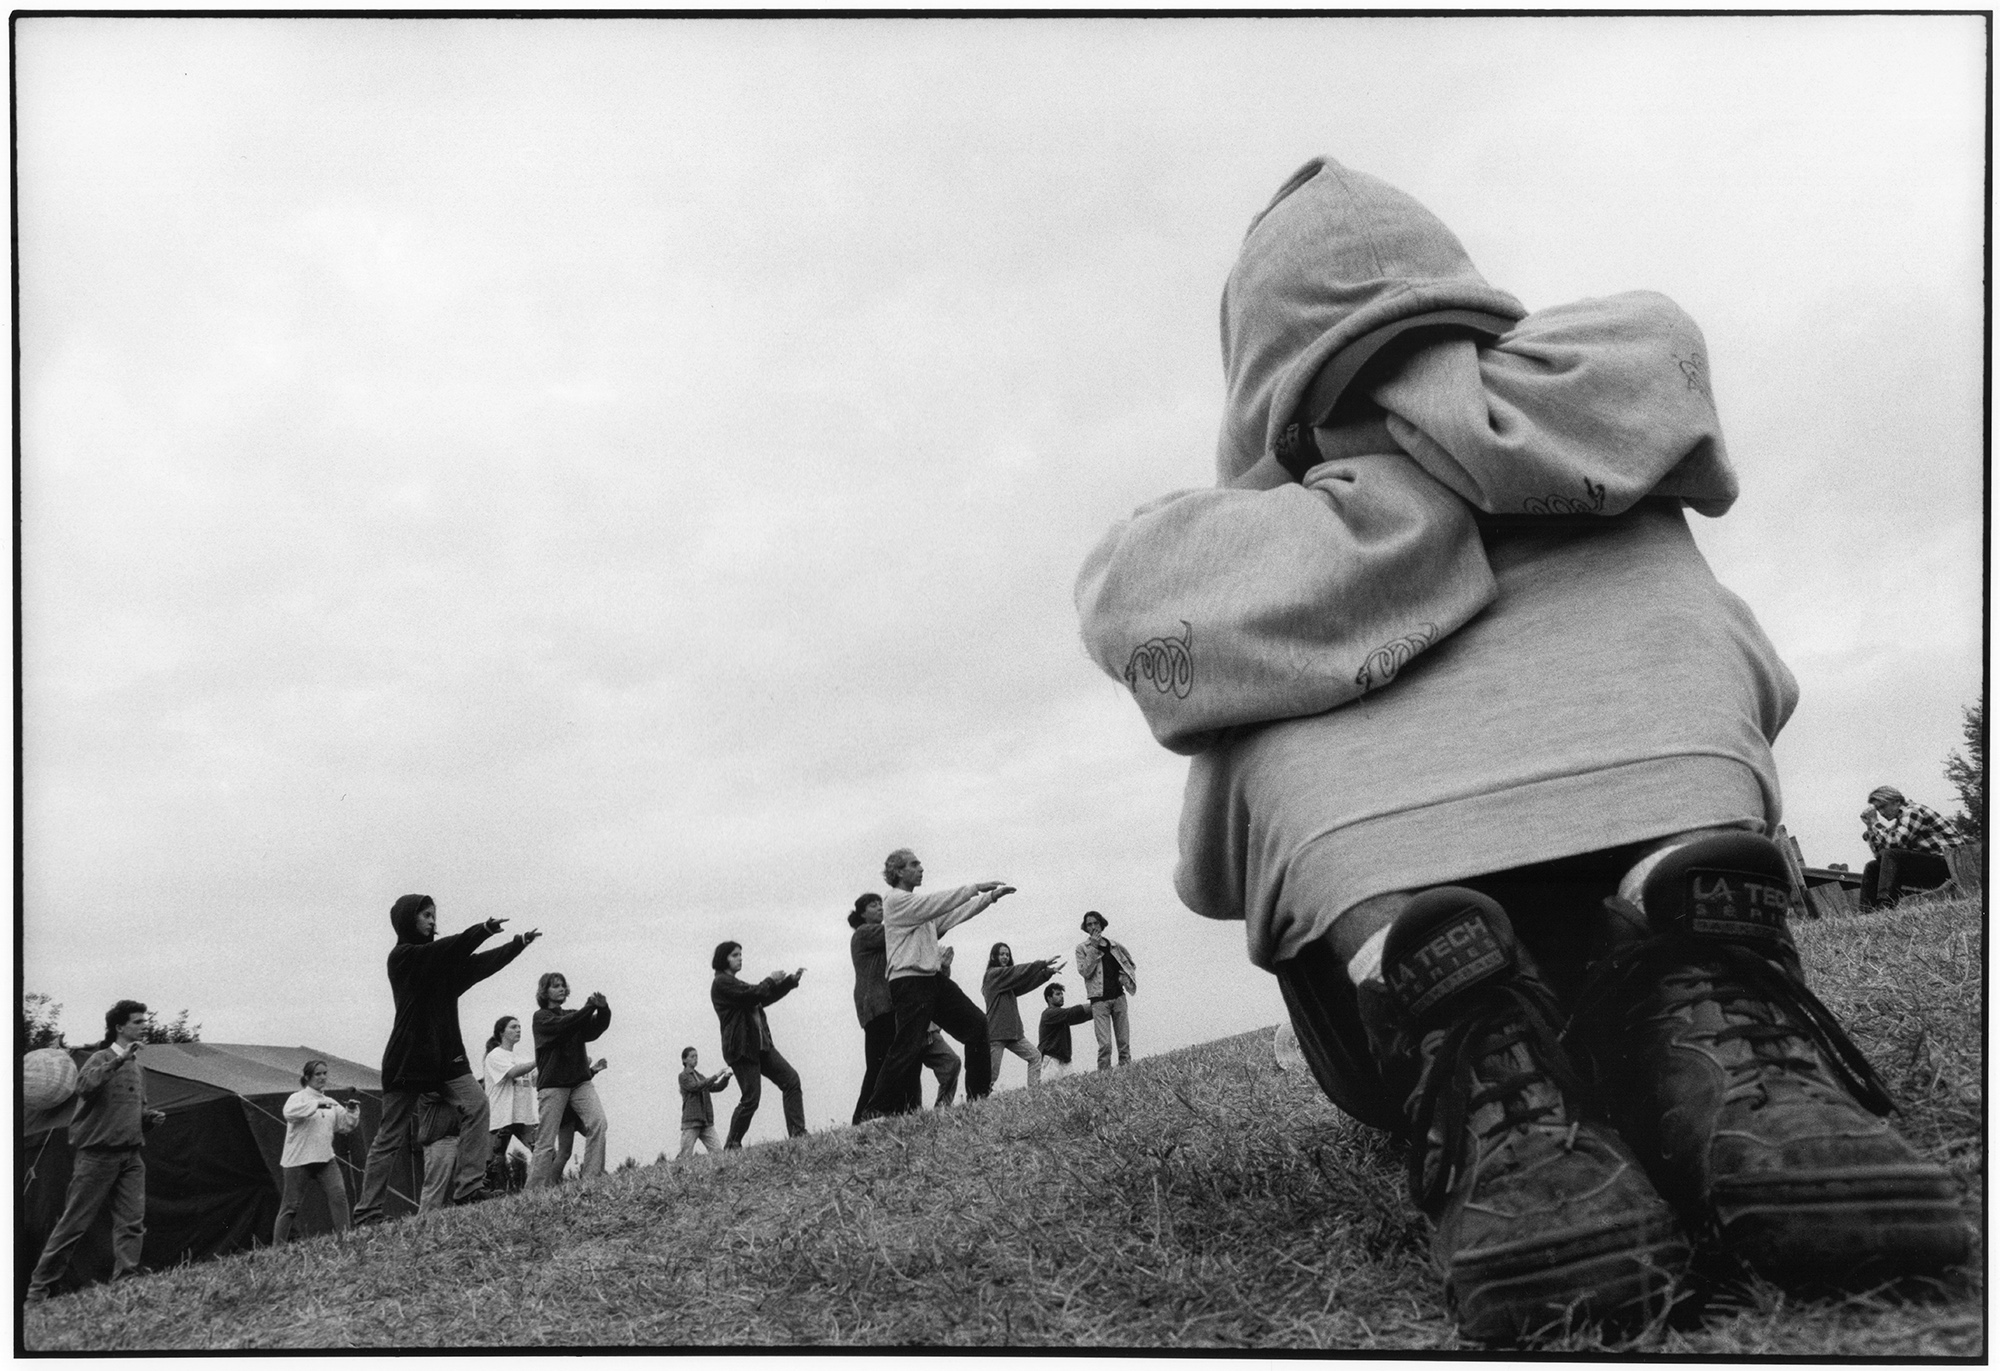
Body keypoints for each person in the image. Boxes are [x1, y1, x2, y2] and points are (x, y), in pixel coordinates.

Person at [1072, 157, 1967, 1340]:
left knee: (1260, 728)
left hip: (1398, 951)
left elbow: (1212, 869)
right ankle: (1708, 1029)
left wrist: (1364, 519)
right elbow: (1763, 686)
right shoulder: (1611, 442)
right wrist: (1469, 446)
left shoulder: (1223, 574)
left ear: (1260, 385)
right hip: (1655, 890)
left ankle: (1495, 1071)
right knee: (1672, 622)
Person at [352, 895, 539, 1224]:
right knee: (390, 1136)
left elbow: (479, 965)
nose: (432, 921)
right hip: (408, 1059)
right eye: (425, 915)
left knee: (477, 1105)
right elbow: (448, 949)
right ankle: (367, 1212)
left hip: (446, 1058)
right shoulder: (404, 957)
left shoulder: (443, 968)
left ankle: (469, 1187)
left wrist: (516, 945)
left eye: (433, 915)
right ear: (408, 920)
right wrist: (482, 930)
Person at [25, 1001, 168, 1302]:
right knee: (73, 1224)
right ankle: (39, 1291)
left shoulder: (138, 1068)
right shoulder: (99, 1059)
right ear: (119, 1027)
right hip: (97, 1157)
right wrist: (118, 1061)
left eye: (144, 1021)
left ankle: (126, 1281)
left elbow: (128, 1112)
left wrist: (148, 1120)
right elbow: (85, 1087)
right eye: (138, 1022)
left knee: (132, 1223)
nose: (144, 1026)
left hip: (131, 1156)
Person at [862, 849, 1015, 1117]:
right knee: (907, 1048)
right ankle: (875, 1111)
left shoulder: (919, 910)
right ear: (898, 872)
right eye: (914, 864)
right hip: (908, 982)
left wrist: (989, 898)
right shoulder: (895, 901)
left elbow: (951, 915)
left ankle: (978, 1099)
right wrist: (974, 888)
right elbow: (937, 903)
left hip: (932, 980)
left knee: (976, 1025)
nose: (921, 868)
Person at [710, 942, 807, 1147]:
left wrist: (788, 983)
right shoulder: (721, 983)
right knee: (751, 1099)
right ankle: (732, 1145)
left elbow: (762, 997)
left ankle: (798, 1134)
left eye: (740, 954)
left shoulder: (735, 983)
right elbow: (753, 994)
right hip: (742, 1049)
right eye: (735, 955)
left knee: (791, 1080)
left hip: (761, 1046)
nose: (740, 958)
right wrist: (771, 979)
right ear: (723, 958)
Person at [528, 973, 612, 1189]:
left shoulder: (574, 1015)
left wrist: (603, 1009)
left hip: (579, 1082)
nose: (562, 989)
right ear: (544, 991)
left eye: (563, 986)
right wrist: (588, 1007)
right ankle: (533, 1190)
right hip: (553, 1085)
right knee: (546, 1141)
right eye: (556, 986)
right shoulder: (541, 1018)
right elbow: (563, 1027)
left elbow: (594, 1029)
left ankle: (591, 1179)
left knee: (598, 1123)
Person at [272, 1059, 360, 1244]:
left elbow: (345, 1125)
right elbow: (289, 1113)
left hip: (325, 1159)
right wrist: (315, 1105)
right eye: (318, 1074)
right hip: (298, 1161)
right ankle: (276, 1249)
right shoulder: (297, 1097)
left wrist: (351, 1110)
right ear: (307, 1077)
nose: (322, 1077)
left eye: (325, 1073)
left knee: (339, 1197)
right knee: (290, 1206)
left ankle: (345, 1240)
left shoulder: (330, 1102)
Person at [981, 942, 1065, 1088]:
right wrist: (1042, 964)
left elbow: (1026, 984)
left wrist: (1047, 973)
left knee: (1035, 1057)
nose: (1005, 957)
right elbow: (1018, 971)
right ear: (994, 957)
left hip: (1013, 1033)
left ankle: (1033, 1092)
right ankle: (979, 1098)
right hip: (996, 1034)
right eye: (1002, 954)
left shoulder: (1007, 983)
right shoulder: (993, 975)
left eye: (1007, 954)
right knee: (991, 1075)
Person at [1858, 785, 1956, 909]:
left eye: (1883, 807)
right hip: (1932, 866)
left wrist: (1875, 822)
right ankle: (1867, 910)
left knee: (1892, 854)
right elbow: (1880, 855)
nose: (1881, 813)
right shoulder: (1899, 823)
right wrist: (1870, 827)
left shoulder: (1913, 811)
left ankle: (1885, 903)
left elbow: (1894, 843)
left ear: (1897, 801)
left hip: (1950, 865)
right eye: (1878, 809)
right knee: (1872, 866)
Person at [847, 892, 896, 1124]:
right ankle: (862, 1115)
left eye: (880, 904)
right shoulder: (865, 932)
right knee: (878, 1062)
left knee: (880, 1061)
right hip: (876, 1004)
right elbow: (896, 931)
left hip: (878, 1004)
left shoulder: (872, 933)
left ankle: (869, 1113)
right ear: (862, 913)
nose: (879, 908)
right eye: (873, 905)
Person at [481, 1017, 539, 1194]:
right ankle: (488, 1197)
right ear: (501, 1032)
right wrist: (538, 1060)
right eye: (513, 1027)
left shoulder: (522, 1057)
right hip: (501, 1116)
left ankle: (540, 1188)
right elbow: (513, 1072)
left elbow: (536, 1080)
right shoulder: (495, 1055)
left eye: (519, 1027)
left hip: (524, 1116)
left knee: (545, 1152)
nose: (518, 1030)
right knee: (493, 1165)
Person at [1075, 912, 1137, 1070]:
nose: (1093, 927)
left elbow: (1130, 964)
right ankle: (1104, 1075)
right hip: (1099, 1000)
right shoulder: (1082, 948)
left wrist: (1123, 977)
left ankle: (1127, 1071)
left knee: (1124, 1042)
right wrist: (1094, 948)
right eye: (1089, 924)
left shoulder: (1114, 945)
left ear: (1101, 924)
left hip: (1118, 997)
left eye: (1096, 923)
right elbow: (1085, 971)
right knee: (1105, 1045)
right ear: (1085, 928)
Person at [677, 1047, 732, 1158]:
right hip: (692, 1121)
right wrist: (716, 1075)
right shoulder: (683, 1076)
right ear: (684, 1060)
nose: (695, 1059)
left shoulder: (700, 1076)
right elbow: (695, 1087)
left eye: (696, 1056)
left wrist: (726, 1077)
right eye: (692, 1056)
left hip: (705, 1121)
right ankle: (679, 1169)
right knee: (685, 1155)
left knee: (717, 1152)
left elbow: (716, 1087)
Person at [1037, 982, 1095, 1082]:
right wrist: (1097, 1004)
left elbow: (1079, 1017)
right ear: (1049, 998)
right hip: (1051, 1059)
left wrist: (1099, 1011)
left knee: (1072, 1087)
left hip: (1065, 1060)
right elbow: (1072, 1012)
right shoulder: (1049, 1014)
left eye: (1062, 994)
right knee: (1049, 1087)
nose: (1061, 996)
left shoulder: (1061, 1017)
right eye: (1057, 994)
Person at [416, 1090, 460, 1213]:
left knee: (455, 1189)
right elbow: (449, 1091)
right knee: (435, 1191)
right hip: (439, 1140)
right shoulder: (431, 1087)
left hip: (455, 1136)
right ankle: (425, 1221)